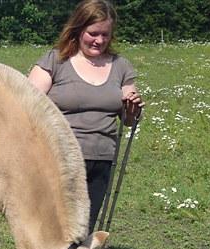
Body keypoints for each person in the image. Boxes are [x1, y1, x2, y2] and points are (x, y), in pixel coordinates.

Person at [27, 0, 144, 233]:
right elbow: (27, 104)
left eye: (105, 35)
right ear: (79, 29)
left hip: (102, 158)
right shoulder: (56, 61)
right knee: (57, 225)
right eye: (93, 33)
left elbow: (129, 119)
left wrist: (133, 110)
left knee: (85, 227)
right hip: (61, 157)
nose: (99, 41)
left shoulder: (121, 66)